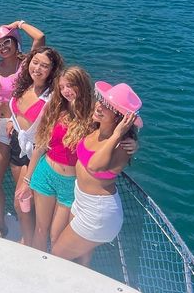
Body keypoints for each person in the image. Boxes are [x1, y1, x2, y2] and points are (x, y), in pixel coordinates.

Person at [52, 81, 142, 265]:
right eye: (101, 100)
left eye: (107, 107)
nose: (99, 106)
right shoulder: (95, 128)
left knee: (57, 256)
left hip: (98, 211)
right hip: (82, 201)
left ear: (120, 118)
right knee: (80, 258)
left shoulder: (122, 145)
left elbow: (94, 166)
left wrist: (117, 134)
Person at [0, 21, 45, 237]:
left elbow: (40, 38)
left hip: (8, 127)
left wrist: (19, 24)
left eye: (7, 42)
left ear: (15, 43)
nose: (3, 47)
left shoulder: (26, 67)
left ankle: (1, 224)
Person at [21, 67, 94, 251]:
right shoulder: (56, 110)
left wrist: (130, 140)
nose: (65, 91)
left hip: (70, 183)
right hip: (45, 174)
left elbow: (118, 122)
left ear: (82, 85)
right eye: (62, 87)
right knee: (40, 229)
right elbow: (40, 147)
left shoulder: (93, 116)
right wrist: (27, 181)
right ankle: (37, 269)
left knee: (56, 236)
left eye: (70, 85)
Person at [6, 46, 64, 243]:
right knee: (24, 203)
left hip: (36, 154)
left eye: (44, 66)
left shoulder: (54, 96)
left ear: (52, 71)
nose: (37, 68)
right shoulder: (24, 85)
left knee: (20, 200)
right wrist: (11, 122)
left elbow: (81, 111)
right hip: (16, 147)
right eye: (35, 62)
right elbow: (17, 112)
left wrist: (126, 136)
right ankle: (27, 237)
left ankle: (29, 242)